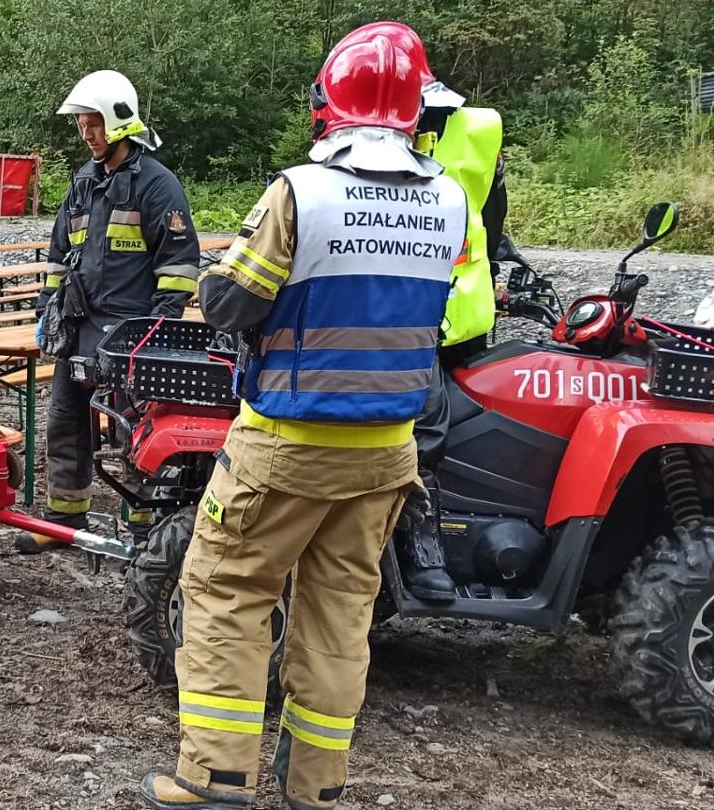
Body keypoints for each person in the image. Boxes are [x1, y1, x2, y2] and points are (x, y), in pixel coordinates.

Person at [136, 26, 468, 810]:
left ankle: (214, 777)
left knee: (226, 588)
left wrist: (222, 276)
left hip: (288, 440)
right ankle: (317, 784)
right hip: (388, 450)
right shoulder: (448, 197)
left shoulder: (303, 192)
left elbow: (230, 302)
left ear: (329, 104)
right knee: (341, 611)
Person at [351, 21, 510, 601]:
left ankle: (423, 554)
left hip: (439, 314)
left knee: (424, 432)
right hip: (435, 310)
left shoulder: (463, 134)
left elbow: (490, 221)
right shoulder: (473, 129)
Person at [23, 69, 200, 552]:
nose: (86, 133)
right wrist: (47, 307)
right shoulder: (83, 184)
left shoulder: (156, 185)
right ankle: (65, 516)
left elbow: (180, 265)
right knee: (66, 420)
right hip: (80, 329)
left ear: (119, 121)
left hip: (131, 334)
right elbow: (59, 258)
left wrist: (159, 329)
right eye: (81, 123)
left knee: (135, 430)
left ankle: (146, 530)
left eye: (93, 122)